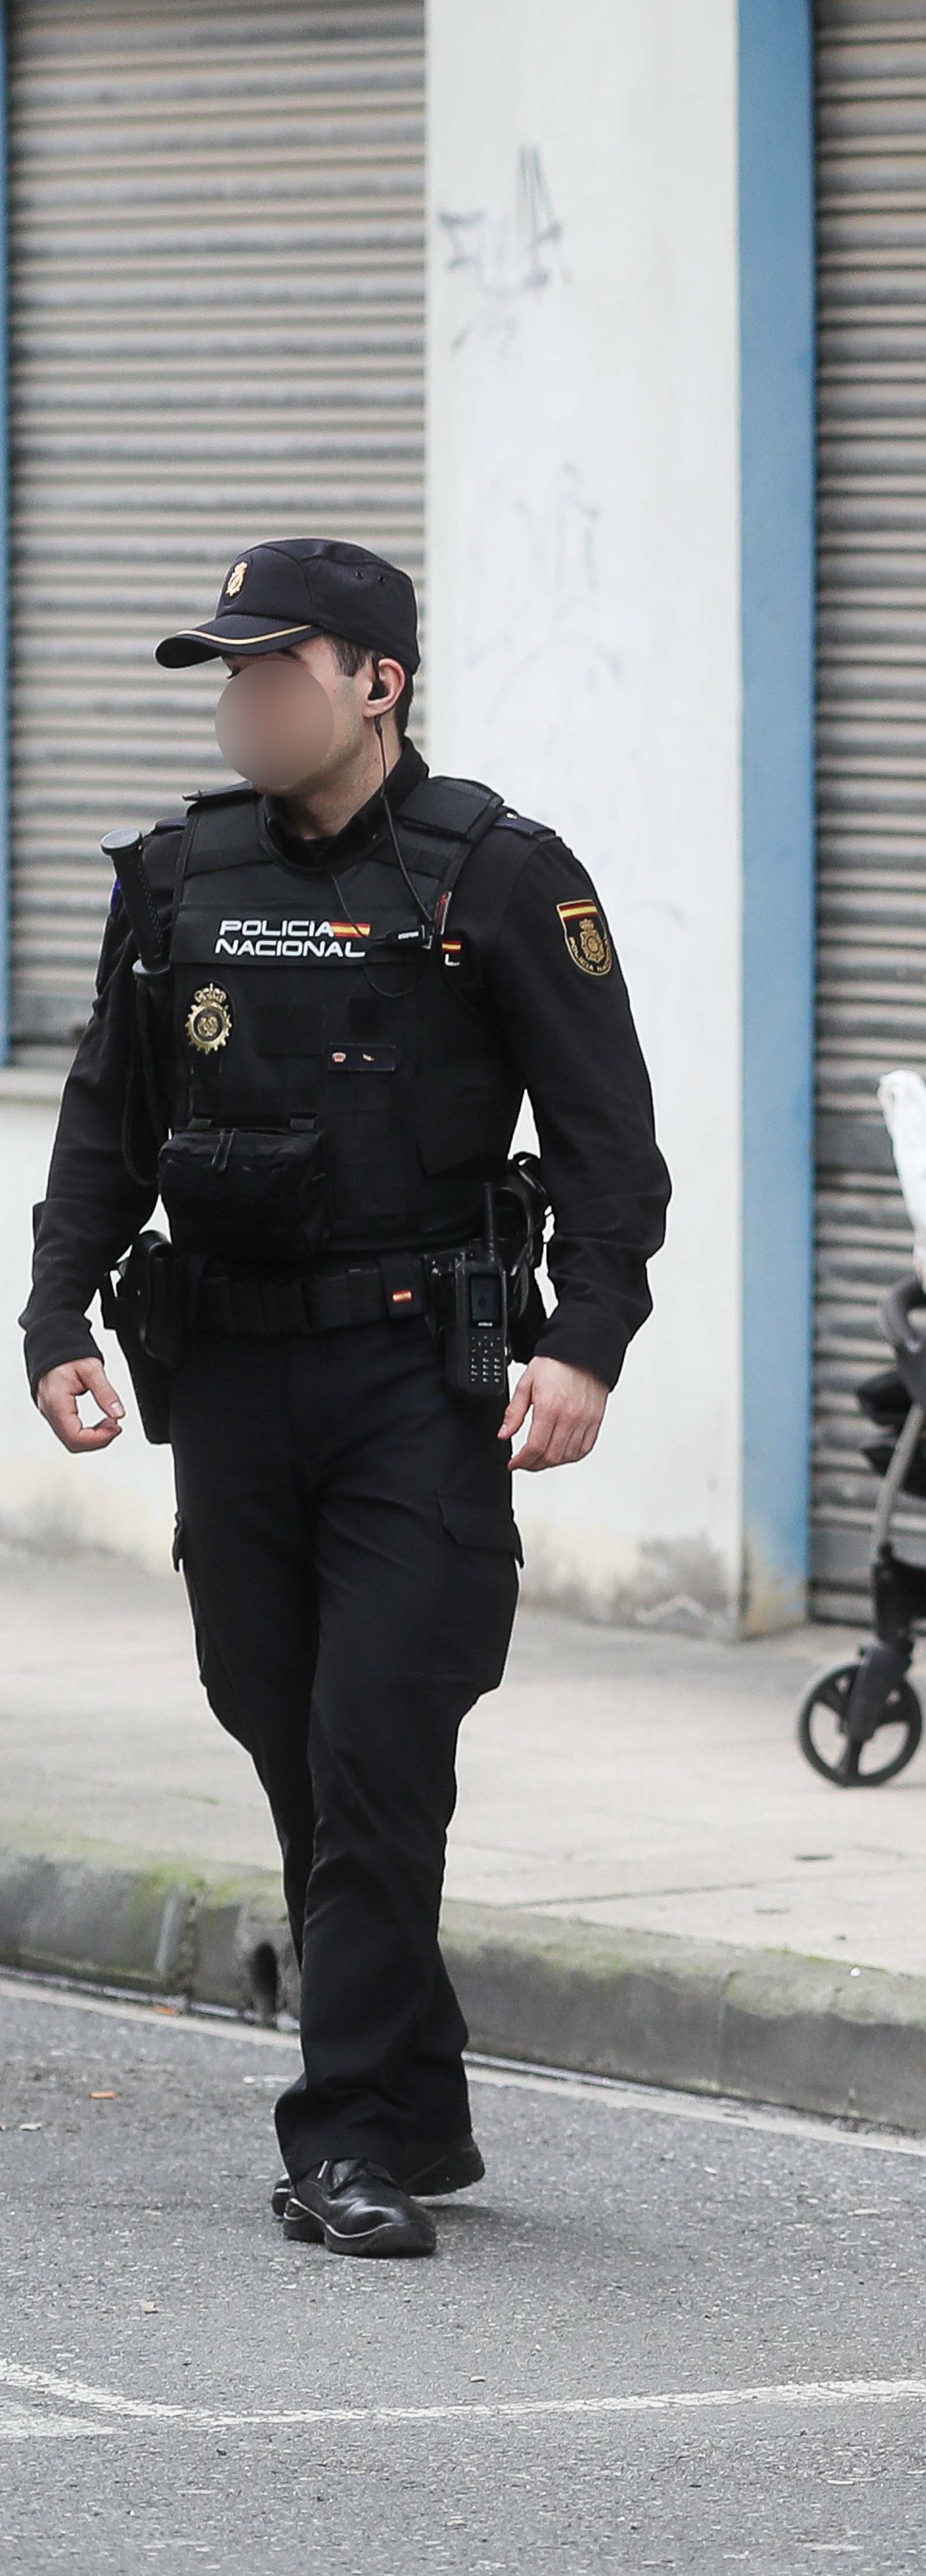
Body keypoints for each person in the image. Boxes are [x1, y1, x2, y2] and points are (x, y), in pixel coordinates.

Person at [21, 538, 668, 2262]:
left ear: (376, 683)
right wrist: (55, 1312)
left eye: (270, 667)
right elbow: (109, 1115)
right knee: (280, 1724)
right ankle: (418, 2087)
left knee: (380, 1743)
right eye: (225, 673)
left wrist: (587, 1342)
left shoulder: (502, 878)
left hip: (412, 1381)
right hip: (227, 1376)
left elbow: (613, 1146)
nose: (240, 700)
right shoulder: (175, 878)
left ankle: (344, 2138)